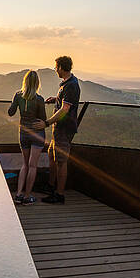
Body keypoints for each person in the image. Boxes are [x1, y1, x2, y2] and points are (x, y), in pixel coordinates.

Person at [34, 56, 80, 204]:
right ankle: (51, 186)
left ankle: (59, 195)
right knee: (52, 156)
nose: (55, 70)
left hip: (64, 129)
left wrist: (46, 123)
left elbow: (65, 110)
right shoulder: (67, 84)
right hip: (59, 128)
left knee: (61, 161)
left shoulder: (70, 85)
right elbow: (66, 102)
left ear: (61, 67)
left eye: (56, 67)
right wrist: (56, 99)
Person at [8, 70, 47, 205]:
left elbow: (10, 112)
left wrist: (15, 102)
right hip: (37, 134)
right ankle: (27, 196)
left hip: (23, 133)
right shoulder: (39, 99)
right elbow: (43, 119)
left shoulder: (18, 96)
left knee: (25, 164)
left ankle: (18, 194)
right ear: (37, 84)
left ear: (24, 82)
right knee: (33, 166)